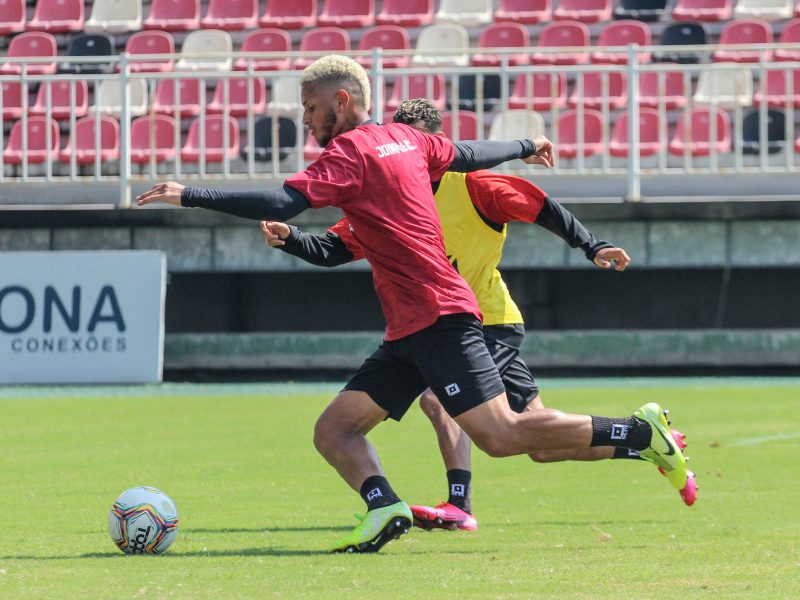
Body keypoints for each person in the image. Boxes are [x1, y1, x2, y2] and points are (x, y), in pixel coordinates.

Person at [136, 55, 692, 554]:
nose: (306, 120)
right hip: (409, 329)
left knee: (501, 436)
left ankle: (642, 435)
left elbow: (283, 199)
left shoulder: (351, 152)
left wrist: (191, 193)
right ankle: (384, 508)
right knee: (334, 430)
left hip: (440, 317)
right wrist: (525, 144)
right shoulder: (407, 141)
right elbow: (468, 154)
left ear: (341, 101)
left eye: (310, 108)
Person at [258, 98, 697, 533]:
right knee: (539, 445)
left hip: (488, 320)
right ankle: (645, 442)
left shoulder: (472, 185)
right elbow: (335, 247)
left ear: (438, 143)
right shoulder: (389, 191)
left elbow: (542, 206)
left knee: (442, 402)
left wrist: (592, 245)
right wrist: (292, 238)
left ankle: (459, 503)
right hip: (433, 325)